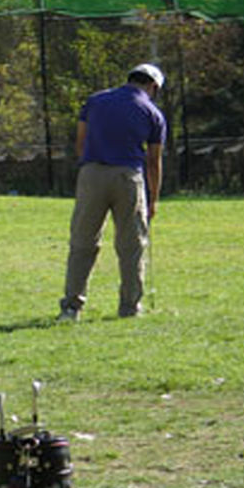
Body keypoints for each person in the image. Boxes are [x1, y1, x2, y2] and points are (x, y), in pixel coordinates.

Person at [57, 63, 166, 321]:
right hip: (128, 177)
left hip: (92, 173)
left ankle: (72, 307)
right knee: (131, 245)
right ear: (153, 86)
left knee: (83, 242)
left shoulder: (95, 101)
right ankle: (129, 307)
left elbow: (81, 142)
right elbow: (154, 161)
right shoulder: (153, 112)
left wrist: (89, 167)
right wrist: (153, 199)